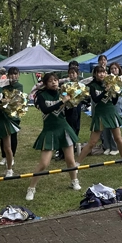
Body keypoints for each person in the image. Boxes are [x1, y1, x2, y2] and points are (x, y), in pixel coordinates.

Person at [26, 72, 80, 201]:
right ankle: (31, 188)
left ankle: (74, 181)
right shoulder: (41, 96)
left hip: (64, 128)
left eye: (56, 80)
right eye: (50, 81)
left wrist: (73, 99)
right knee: (44, 163)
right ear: (45, 83)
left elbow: (71, 106)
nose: (54, 82)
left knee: (70, 160)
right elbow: (45, 110)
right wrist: (62, 101)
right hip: (49, 130)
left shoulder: (63, 92)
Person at [76, 65, 122, 165]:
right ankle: (77, 163)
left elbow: (114, 101)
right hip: (100, 114)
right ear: (95, 74)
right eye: (99, 72)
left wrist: (116, 93)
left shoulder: (110, 83)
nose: (102, 74)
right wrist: (105, 90)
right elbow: (95, 99)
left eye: (103, 72)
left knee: (118, 138)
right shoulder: (92, 85)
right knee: (92, 142)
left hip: (111, 112)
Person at [58, 63, 85, 160]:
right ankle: (63, 152)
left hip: (77, 107)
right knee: (69, 128)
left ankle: (72, 148)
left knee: (76, 127)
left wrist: (77, 95)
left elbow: (82, 94)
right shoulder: (65, 85)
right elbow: (63, 94)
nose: (72, 75)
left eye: (74, 73)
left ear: (77, 74)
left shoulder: (81, 85)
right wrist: (68, 96)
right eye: (70, 73)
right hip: (68, 107)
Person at [0, 66, 24, 165]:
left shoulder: (19, 86)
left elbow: (18, 99)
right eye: (11, 74)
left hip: (14, 115)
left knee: (13, 135)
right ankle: (4, 156)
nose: (13, 76)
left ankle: (12, 156)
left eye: (15, 74)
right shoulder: (4, 86)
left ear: (18, 75)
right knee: (3, 135)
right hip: (4, 114)